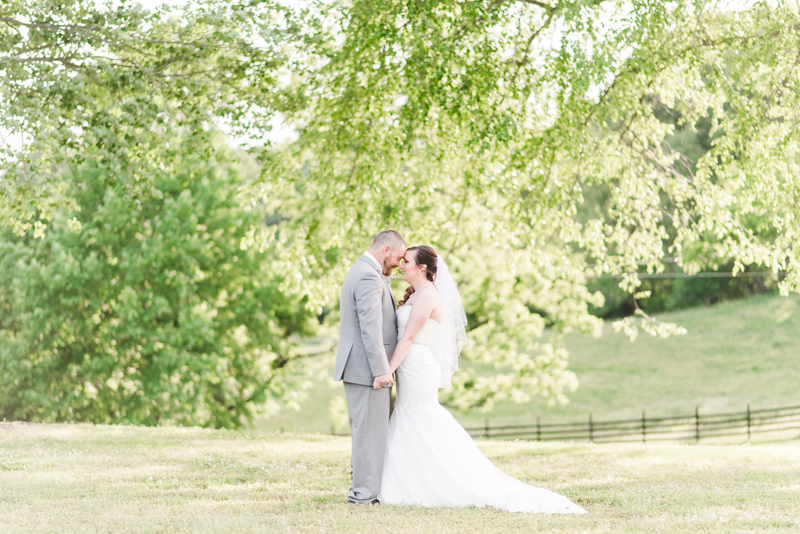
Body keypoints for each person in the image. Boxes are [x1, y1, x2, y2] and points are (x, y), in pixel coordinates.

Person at [379, 245, 587, 514]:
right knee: (411, 419)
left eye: (406, 261)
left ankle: (448, 478)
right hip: (410, 367)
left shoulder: (428, 296)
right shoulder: (415, 295)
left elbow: (407, 338)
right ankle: (410, 477)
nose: (400, 265)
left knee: (420, 418)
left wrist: (387, 372)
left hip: (418, 368)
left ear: (422, 268)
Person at [333, 230, 407, 504]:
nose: (399, 264)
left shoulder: (365, 271)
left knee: (368, 433)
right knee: (368, 434)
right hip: (367, 371)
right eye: (399, 257)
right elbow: (370, 329)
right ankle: (362, 497)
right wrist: (381, 370)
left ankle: (364, 491)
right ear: (386, 250)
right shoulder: (367, 275)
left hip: (362, 369)